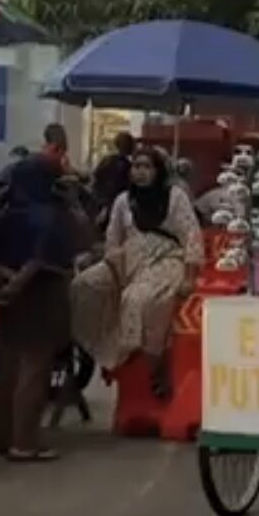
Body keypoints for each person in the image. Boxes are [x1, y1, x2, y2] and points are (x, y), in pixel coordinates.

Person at [71, 147, 203, 398]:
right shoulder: (123, 200)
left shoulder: (174, 197)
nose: (140, 173)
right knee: (84, 286)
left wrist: (189, 275)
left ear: (158, 171)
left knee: (136, 299)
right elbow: (113, 238)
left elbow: (191, 236)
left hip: (165, 260)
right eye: (136, 167)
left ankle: (155, 367)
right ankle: (106, 349)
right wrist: (114, 265)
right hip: (127, 262)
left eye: (147, 167)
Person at [0, 155, 79, 461]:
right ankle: (25, 441)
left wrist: (7, 285)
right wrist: (19, 282)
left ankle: (2, 435)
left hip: (8, 300)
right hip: (41, 295)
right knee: (35, 368)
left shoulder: (5, 212)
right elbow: (40, 259)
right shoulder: (51, 215)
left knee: (9, 366)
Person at [92, 132, 136, 220]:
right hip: (115, 206)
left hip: (98, 202)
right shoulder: (128, 166)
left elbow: (96, 176)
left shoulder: (106, 160)